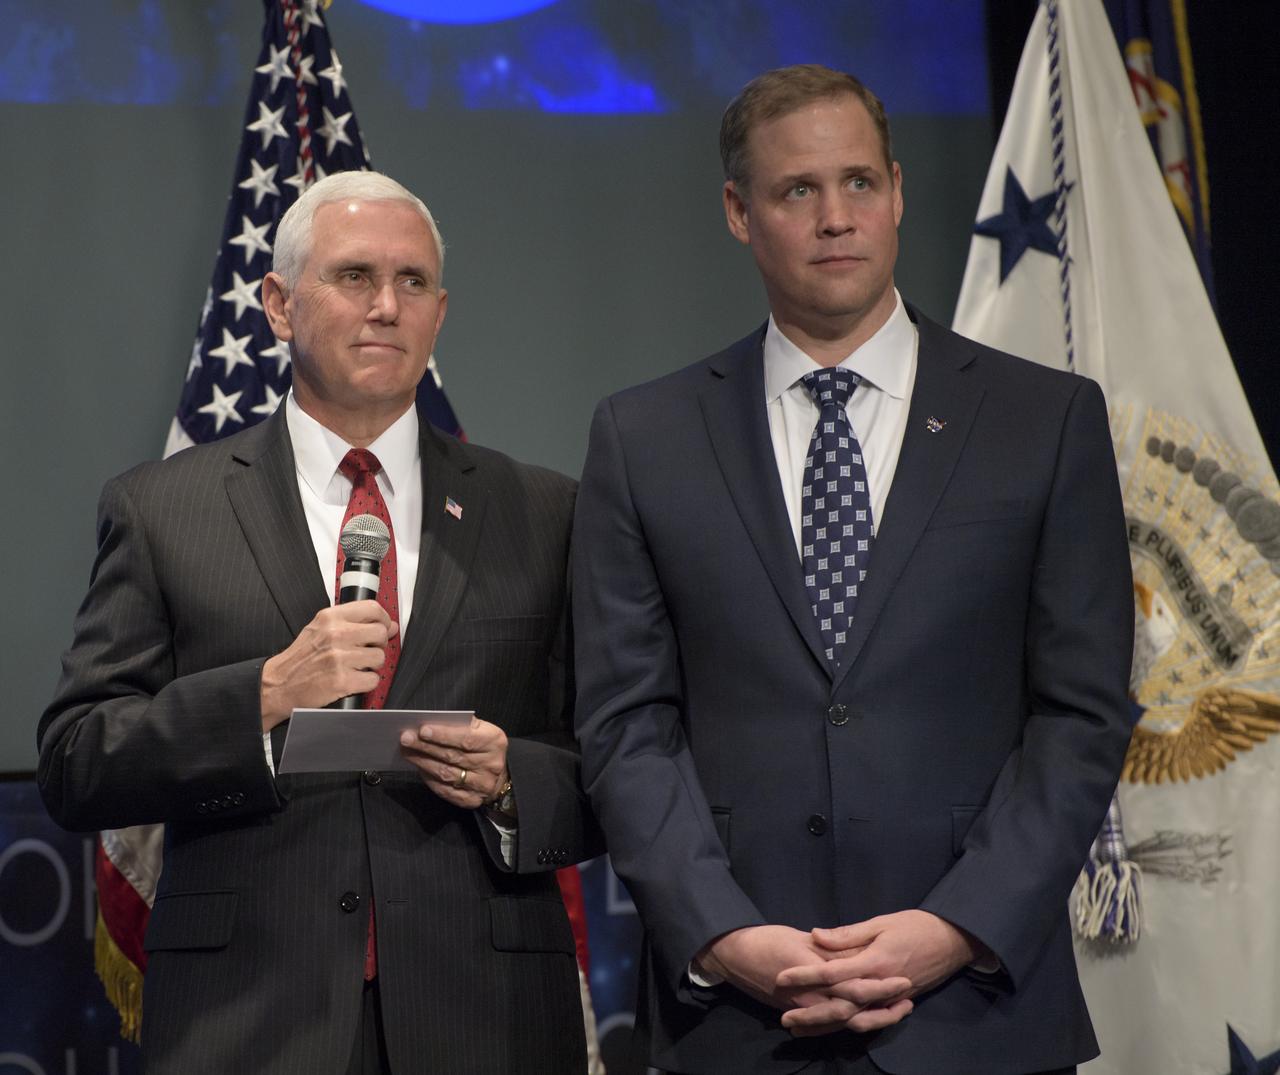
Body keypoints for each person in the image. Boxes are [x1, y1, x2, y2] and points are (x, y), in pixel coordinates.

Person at [572, 65, 1134, 1074]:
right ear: (739, 214)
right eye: (797, 191)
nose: (835, 217)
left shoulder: (1042, 420)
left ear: (897, 192)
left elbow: (1081, 712)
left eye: (858, 183)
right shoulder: (643, 435)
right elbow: (624, 723)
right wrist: (720, 933)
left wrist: (957, 925)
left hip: (979, 1010)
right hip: (741, 1018)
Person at [39, 171, 597, 1074]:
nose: (386, 306)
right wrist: (261, 696)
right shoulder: (161, 509)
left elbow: (616, 754)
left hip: (488, 1020)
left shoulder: (542, 510)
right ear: (279, 304)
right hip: (248, 1021)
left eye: (412, 282)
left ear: (440, 312)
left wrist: (512, 778)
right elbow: (76, 758)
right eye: (354, 276)